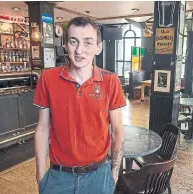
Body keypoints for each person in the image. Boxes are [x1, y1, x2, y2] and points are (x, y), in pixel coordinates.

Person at [33, 16, 126, 194]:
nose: (79, 50)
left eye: (88, 42)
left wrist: (114, 172)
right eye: (73, 41)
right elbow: (43, 128)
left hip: (99, 176)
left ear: (98, 48)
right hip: (58, 177)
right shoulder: (48, 78)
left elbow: (117, 130)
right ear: (65, 46)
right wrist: (40, 174)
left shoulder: (110, 80)